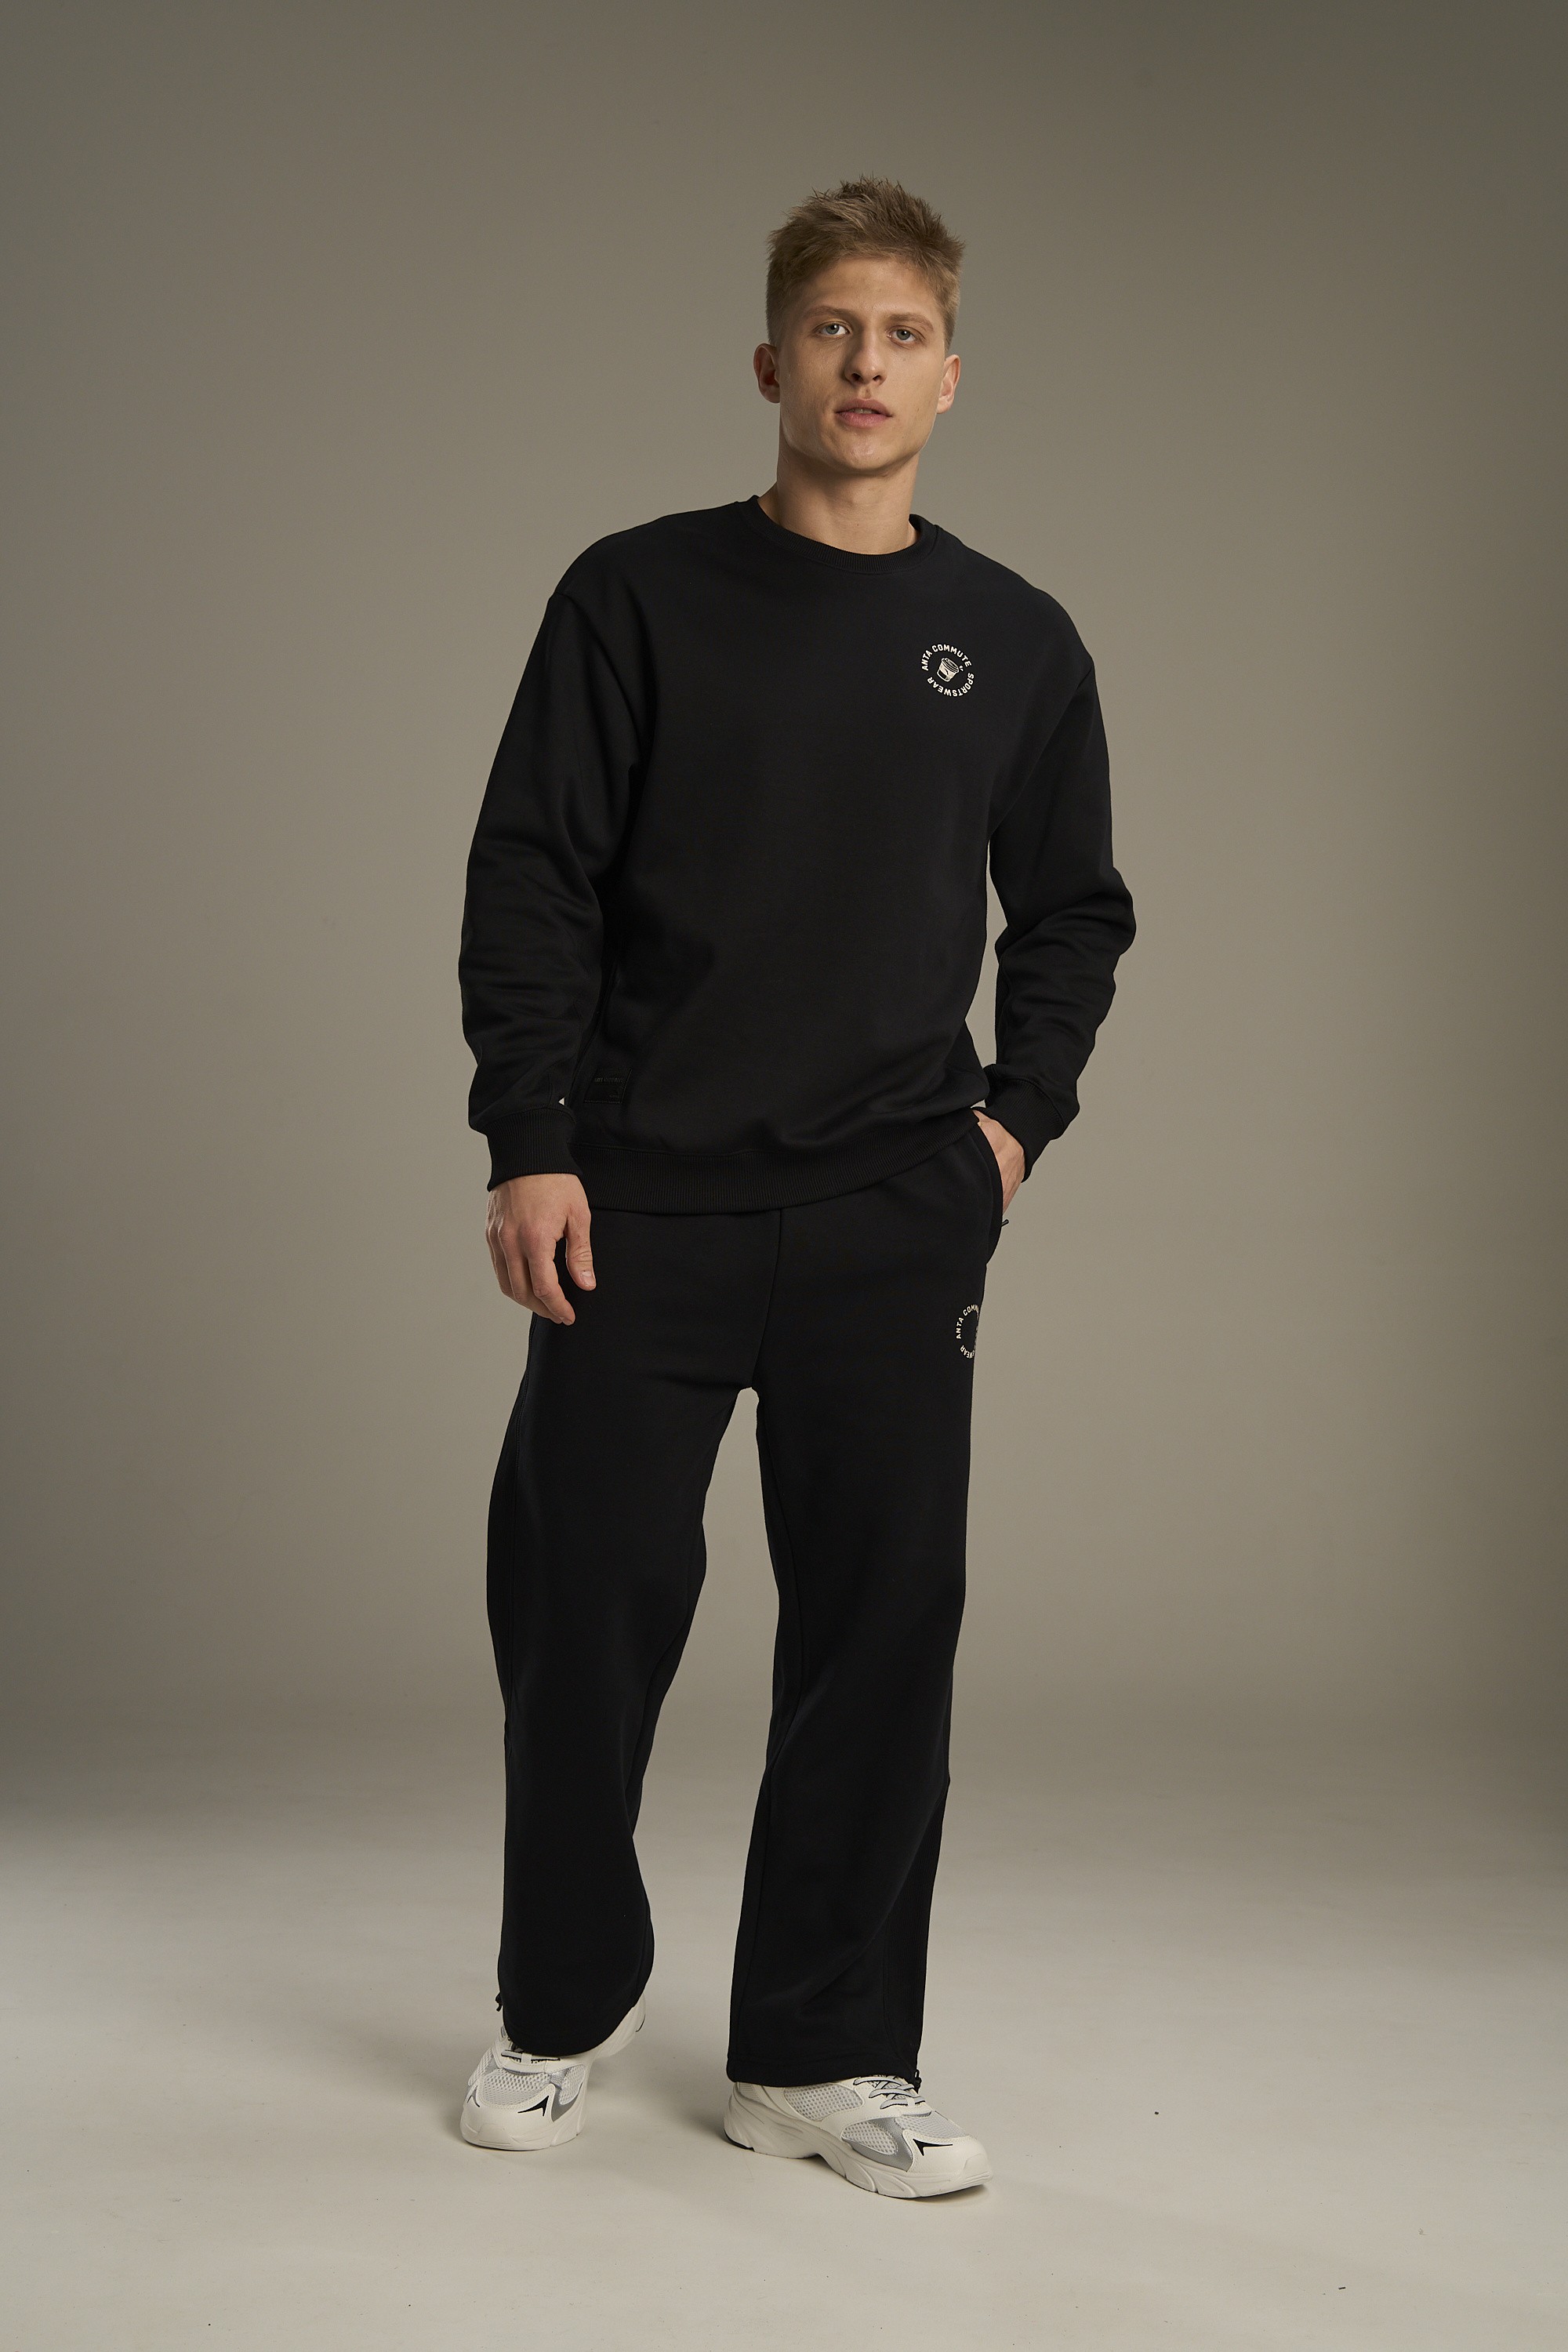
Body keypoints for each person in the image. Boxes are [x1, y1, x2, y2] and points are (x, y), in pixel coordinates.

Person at [456, 176, 1134, 2199]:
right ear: (771, 361)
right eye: (833, 329)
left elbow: (1076, 910)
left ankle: (821, 2054)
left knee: (881, 1629)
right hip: (636, 1205)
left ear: (951, 376)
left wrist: (1015, 1122)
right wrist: (531, 1138)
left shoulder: (1017, 639)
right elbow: (533, 873)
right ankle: (558, 2008)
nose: (865, 364)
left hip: (890, 1214)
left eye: (902, 334)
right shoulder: (636, 595)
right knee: (583, 1612)